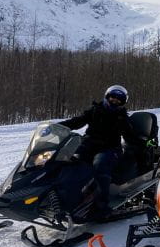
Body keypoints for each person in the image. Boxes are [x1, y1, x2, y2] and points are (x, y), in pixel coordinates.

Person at [59, 85, 142, 220]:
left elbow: (130, 135)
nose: (115, 100)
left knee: (100, 166)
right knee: (67, 160)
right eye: (112, 97)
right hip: (89, 144)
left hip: (110, 149)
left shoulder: (121, 117)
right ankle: (65, 198)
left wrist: (142, 143)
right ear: (107, 96)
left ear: (123, 102)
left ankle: (101, 207)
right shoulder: (95, 110)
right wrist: (59, 126)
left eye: (119, 99)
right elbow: (77, 121)